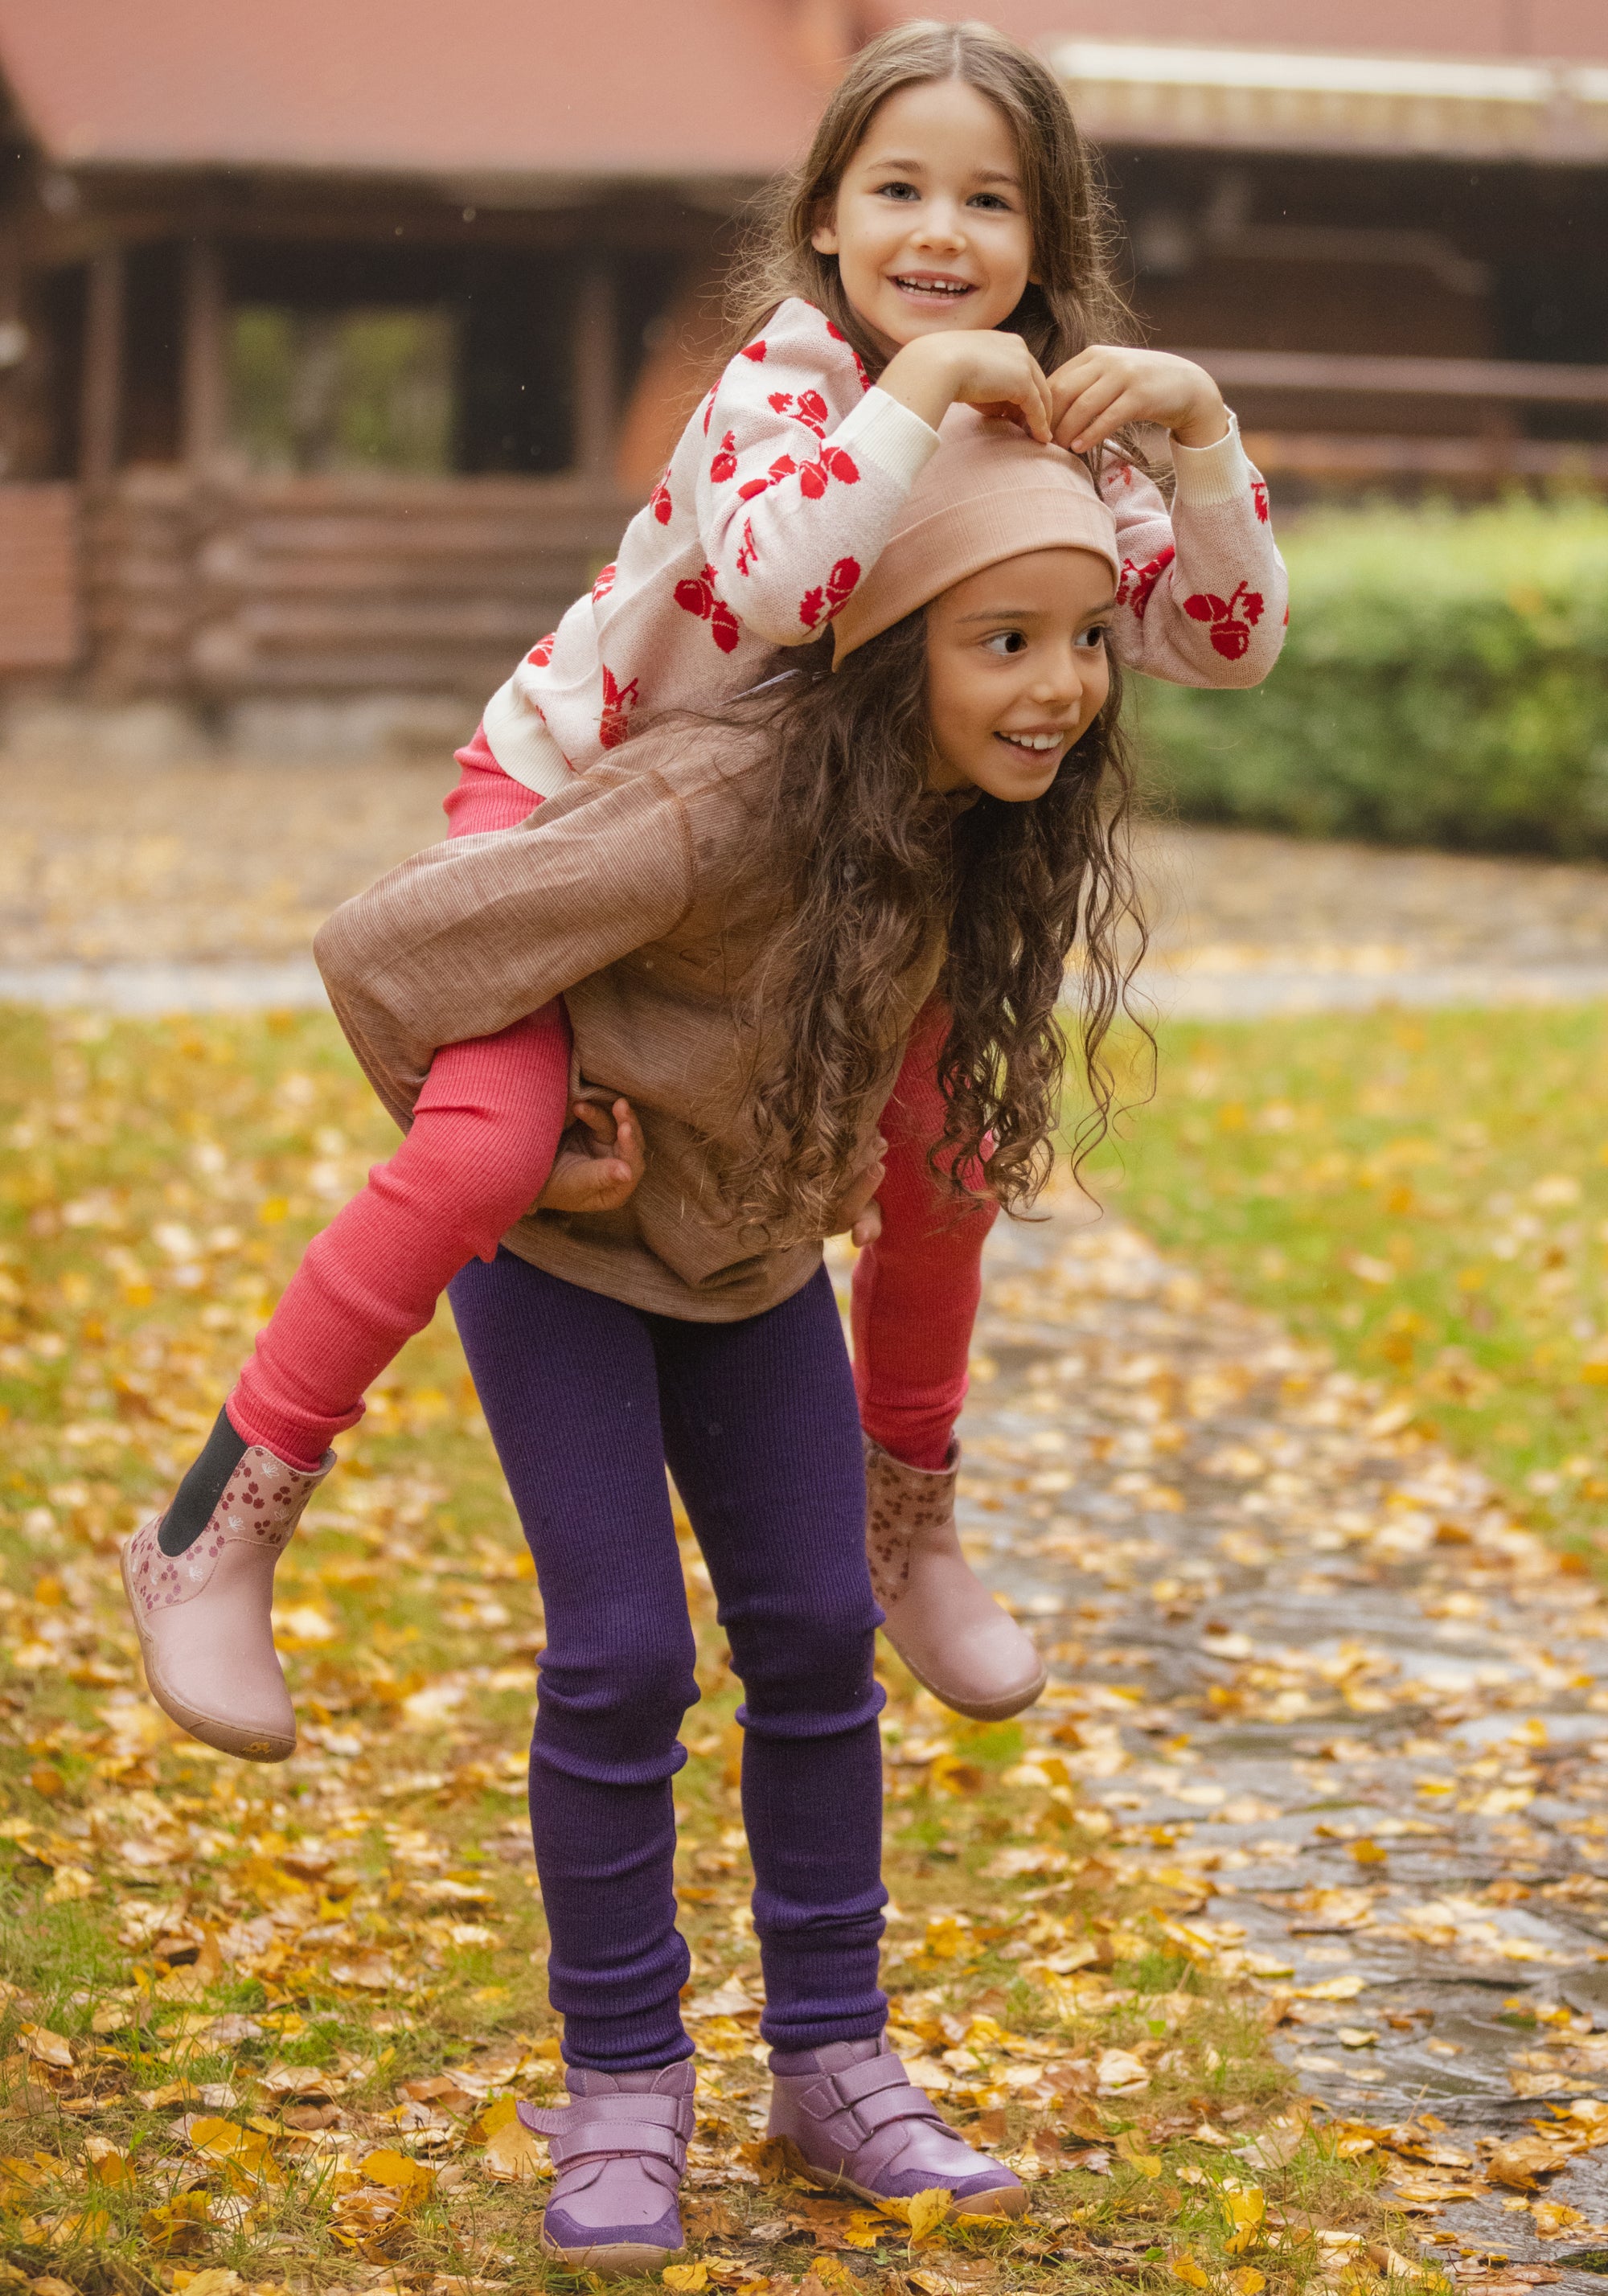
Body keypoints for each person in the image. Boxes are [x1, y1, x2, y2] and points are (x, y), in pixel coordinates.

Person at [118, 18, 1286, 1763]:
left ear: (1047, 237)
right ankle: (222, 1516)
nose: (940, 234)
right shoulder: (783, 389)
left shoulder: (1070, 429)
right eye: (898, 188)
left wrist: (1195, 434)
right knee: (492, 1147)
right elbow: (770, 590)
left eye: (990, 199)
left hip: (834, 862)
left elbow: (1217, 642)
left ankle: (910, 1519)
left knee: (945, 1153)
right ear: (824, 214)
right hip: (572, 805)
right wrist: (912, 394)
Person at [312, 416, 1135, 2274]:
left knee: (820, 1634)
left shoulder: (959, 831)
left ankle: (830, 2071)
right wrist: (523, 1147)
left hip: (755, 1273)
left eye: (1081, 639)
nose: (1060, 685)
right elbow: (386, 952)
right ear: (890, 644)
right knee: (617, 1658)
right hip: (567, 1273)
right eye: (1000, 641)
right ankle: (619, 2092)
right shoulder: (707, 801)